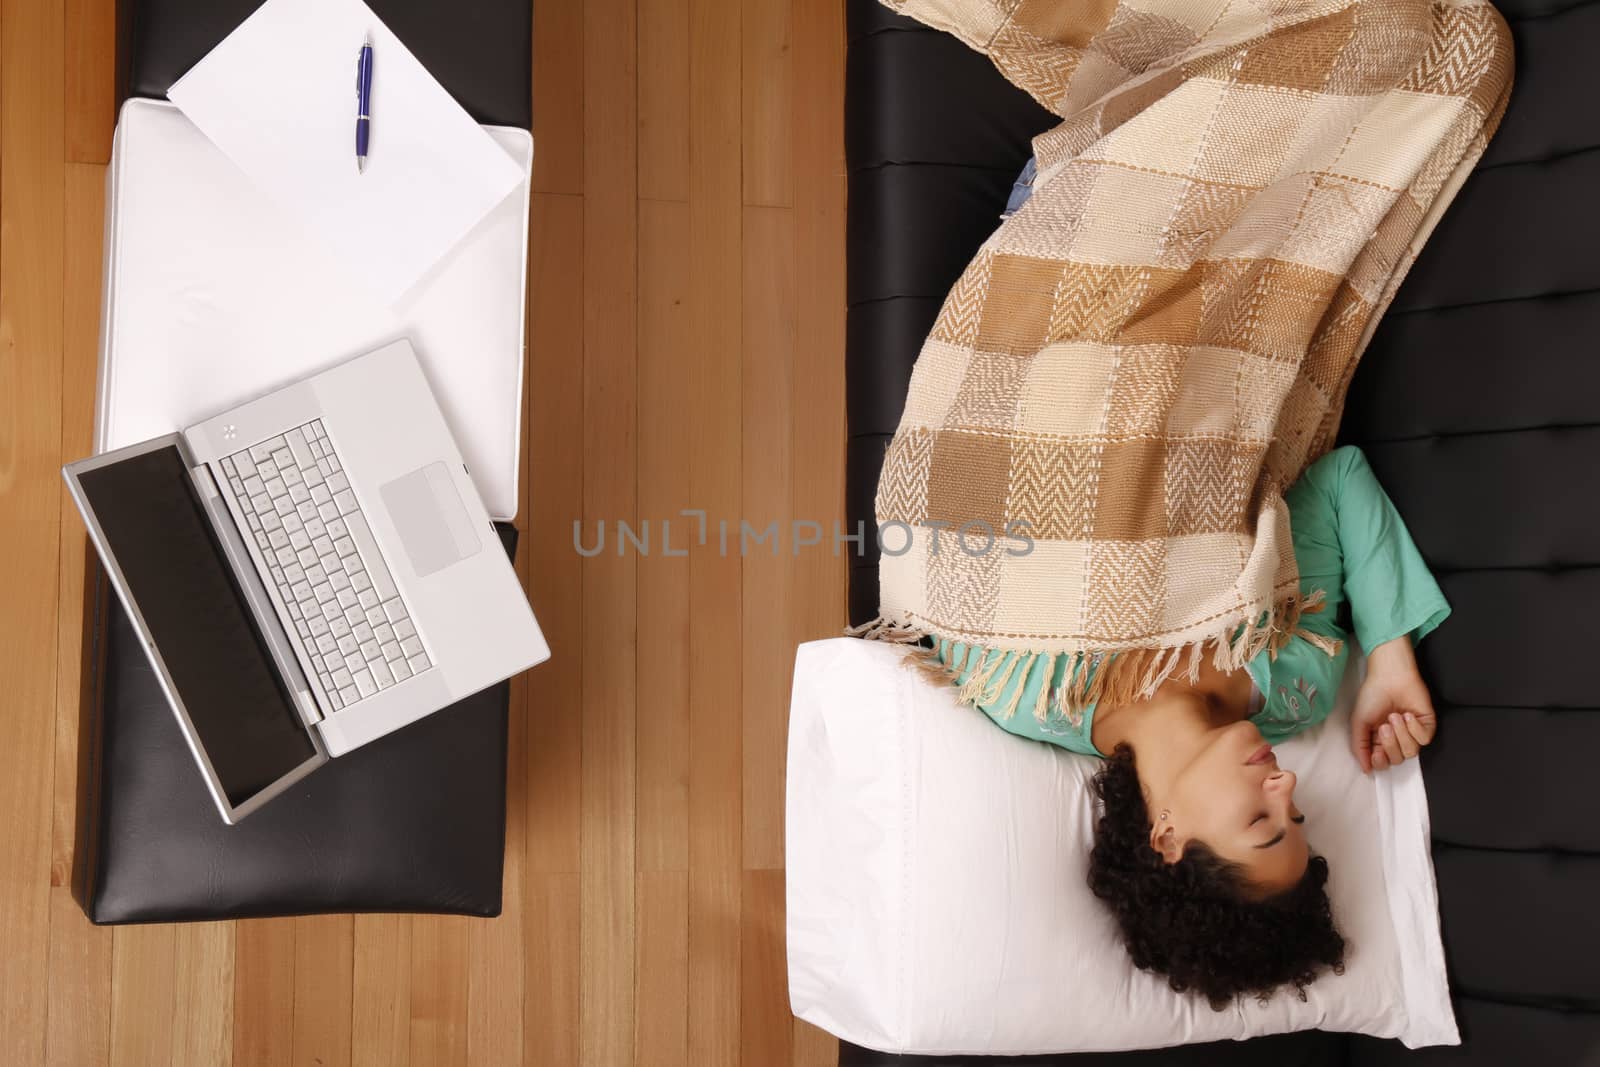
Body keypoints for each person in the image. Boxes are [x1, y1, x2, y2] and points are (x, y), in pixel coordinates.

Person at [932, 442, 1451, 1010]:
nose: (1287, 787)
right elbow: (1336, 478)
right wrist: (1389, 659)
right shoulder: (1296, 681)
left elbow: (953, 524)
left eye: (1261, 820)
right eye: (1296, 815)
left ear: (1167, 837)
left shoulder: (1021, 687)